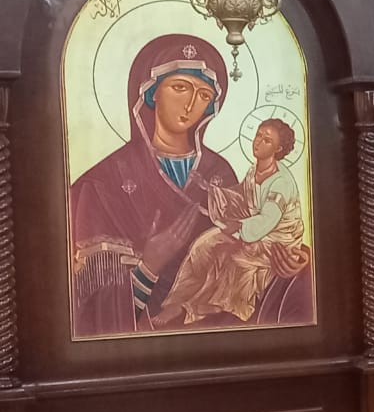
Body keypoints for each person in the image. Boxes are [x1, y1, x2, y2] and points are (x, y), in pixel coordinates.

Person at [70, 34, 240, 337]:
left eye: (204, 95)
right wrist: (149, 266)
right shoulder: (102, 183)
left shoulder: (220, 173)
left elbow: (238, 265)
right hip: (138, 347)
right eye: (180, 87)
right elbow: (86, 309)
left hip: (214, 337)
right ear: (151, 92)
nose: (191, 104)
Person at [155, 118, 310, 326]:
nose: (258, 142)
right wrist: (212, 191)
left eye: (267, 140)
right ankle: (177, 301)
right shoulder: (254, 171)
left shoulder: (280, 183)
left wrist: (239, 226)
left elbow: (268, 219)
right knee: (204, 245)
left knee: (237, 260)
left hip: (276, 240)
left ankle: (210, 307)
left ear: (278, 149)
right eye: (258, 135)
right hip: (251, 229)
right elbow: (243, 196)